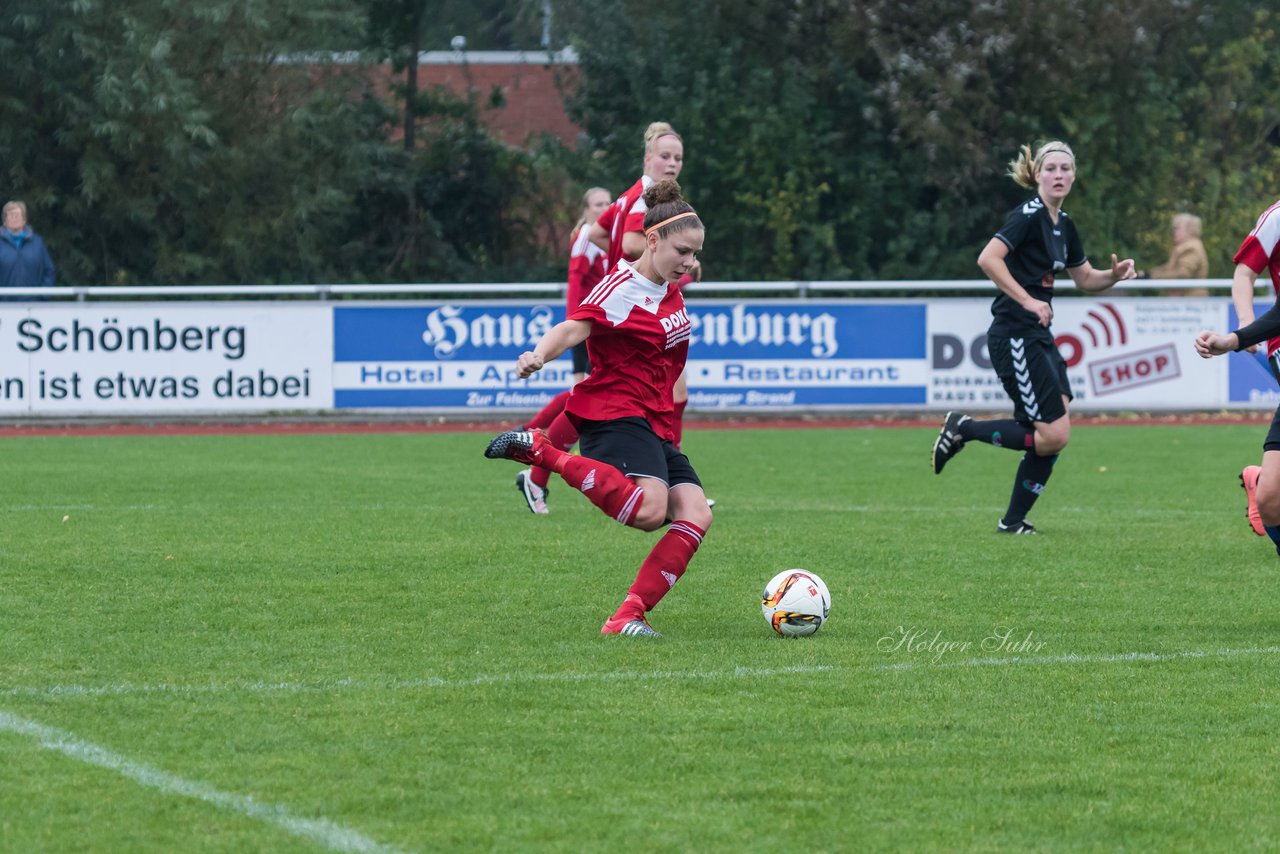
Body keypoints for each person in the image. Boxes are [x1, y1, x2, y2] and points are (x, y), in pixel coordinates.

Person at [484, 179, 711, 638]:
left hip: (651, 420)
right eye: (682, 252)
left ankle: (627, 616)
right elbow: (572, 329)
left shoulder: (669, 287)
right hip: (614, 412)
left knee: (694, 513)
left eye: (694, 254)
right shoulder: (621, 286)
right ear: (652, 239)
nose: (689, 263)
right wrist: (537, 355)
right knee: (651, 512)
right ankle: (541, 452)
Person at [931, 140, 1136, 534]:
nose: (1059, 175)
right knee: (1052, 434)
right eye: (1051, 168)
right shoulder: (1027, 215)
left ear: (1074, 175)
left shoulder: (1065, 225)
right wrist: (1027, 300)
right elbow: (988, 258)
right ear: (1037, 175)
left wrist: (1114, 275)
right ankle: (964, 428)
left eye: (1065, 169)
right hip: (1014, 334)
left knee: (1055, 434)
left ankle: (1013, 522)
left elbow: (1085, 277)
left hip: (1038, 335)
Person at [590, 122, 702, 450]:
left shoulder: (628, 196)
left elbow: (596, 233)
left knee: (602, 392)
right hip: (640, 303)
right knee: (657, 395)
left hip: (630, 297)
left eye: (678, 158)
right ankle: (670, 473)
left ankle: (668, 472)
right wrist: (682, 261)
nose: (672, 164)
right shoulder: (644, 199)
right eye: (665, 156)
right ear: (647, 158)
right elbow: (628, 243)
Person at [513, 186, 612, 515]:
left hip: (602, 331)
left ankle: (531, 444)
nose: (604, 208)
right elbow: (575, 286)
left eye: (607, 203)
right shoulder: (587, 236)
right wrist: (576, 331)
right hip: (587, 331)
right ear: (585, 210)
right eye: (597, 204)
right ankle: (535, 466)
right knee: (580, 403)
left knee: (580, 399)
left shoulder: (610, 240)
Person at [1209, 198, 1280, 554]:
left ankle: (1261, 481)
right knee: (1272, 506)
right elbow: (1245, 273)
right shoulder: (1276, 217)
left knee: (1270, 501)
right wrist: (1243, 330)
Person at [1136, 213, 1209, 296]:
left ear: (1190, 230)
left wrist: (1153, 277)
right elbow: (1169, 268)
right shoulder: (1183, 248)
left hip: (1189, 301)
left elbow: (1183, 273)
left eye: (1178, 229)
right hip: (1182, 300)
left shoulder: (1191, 249)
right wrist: (1149, 273)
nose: (1174, 232)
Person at [0, 201, 56, 292]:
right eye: (11, 215)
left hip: (33, 303)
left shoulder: (37, 243)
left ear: (24, 220)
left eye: (18, 215)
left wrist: (43, 294)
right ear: (5, 221)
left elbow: (49, 271)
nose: (15, 218)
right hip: (3, 303)